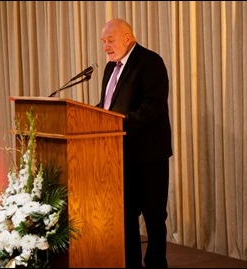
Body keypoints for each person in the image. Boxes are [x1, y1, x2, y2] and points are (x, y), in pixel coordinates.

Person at [97, 18, 173, 268]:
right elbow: (106, 107)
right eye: (103, 41)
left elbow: (152, 107)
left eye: (110, 40)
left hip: (149, 155)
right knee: (126, 217)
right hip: (119, 155)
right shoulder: (110, 67)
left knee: (154, 217)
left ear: (128, 37)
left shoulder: (150, 62)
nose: (106, 46)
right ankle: (131, 264)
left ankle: (155, 264)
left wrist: (117, 123)